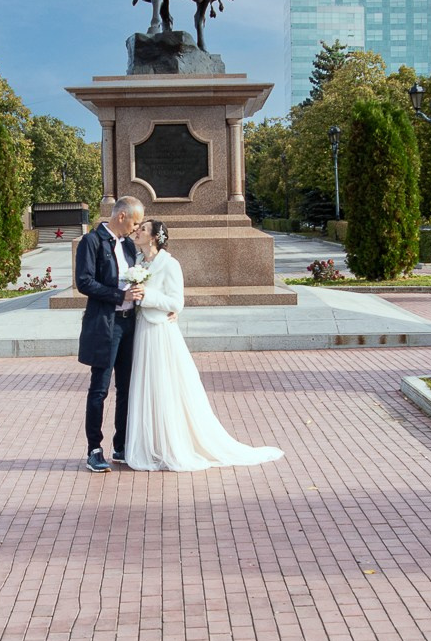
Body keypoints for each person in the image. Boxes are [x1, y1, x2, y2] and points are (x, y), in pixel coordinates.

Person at [119, 219, 282, 472]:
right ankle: (151, 444)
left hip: (160, 333)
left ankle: (171, 444)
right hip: (142, 329)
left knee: (163, 385)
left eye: (142, 229)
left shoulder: (169, 264)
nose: (136, 231)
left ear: (153, 237)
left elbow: (177, 302)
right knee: (145, 385)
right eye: (137, 228)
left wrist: (146, 296)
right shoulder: (139, 263)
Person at [74, 197, 145, 472]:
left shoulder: (127, 245)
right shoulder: (91, 242)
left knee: (126, 388)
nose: (136, 228)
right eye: (135, 222)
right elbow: (84, 282)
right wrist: (119, 295)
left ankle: (121, 445)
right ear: (122, 216)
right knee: (100, 389)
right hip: (106, 325)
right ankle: (94, 449)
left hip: (129, 323)